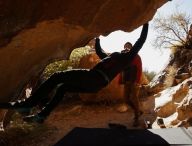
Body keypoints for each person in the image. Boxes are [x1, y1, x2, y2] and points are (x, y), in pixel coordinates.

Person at [0, 23, 149, 123]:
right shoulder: (113, 58)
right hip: (95, 84)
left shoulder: (127, 58)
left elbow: (141, 40)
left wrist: (146, 23)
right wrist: (97, 39)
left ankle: (28, 103)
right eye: (124, 47)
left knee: (57, 76)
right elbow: (100, 52)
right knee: (63, 87)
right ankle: (42, 115)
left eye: (128, 48)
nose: (125, 49)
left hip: (95, 78)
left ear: (130, 51)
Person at [119, 42, 143, 127]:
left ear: (132, 47)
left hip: (134, 81)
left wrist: (137, 81)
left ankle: (136, 118)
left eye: (128, 46)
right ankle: (138, 111)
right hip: (126, 81)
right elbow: (121, 69)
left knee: (134, 98)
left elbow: (139, 68)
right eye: (125, 46)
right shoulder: (123, 57)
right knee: (125, 99)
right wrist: (121, 80)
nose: (126, 48)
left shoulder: (136, 56)